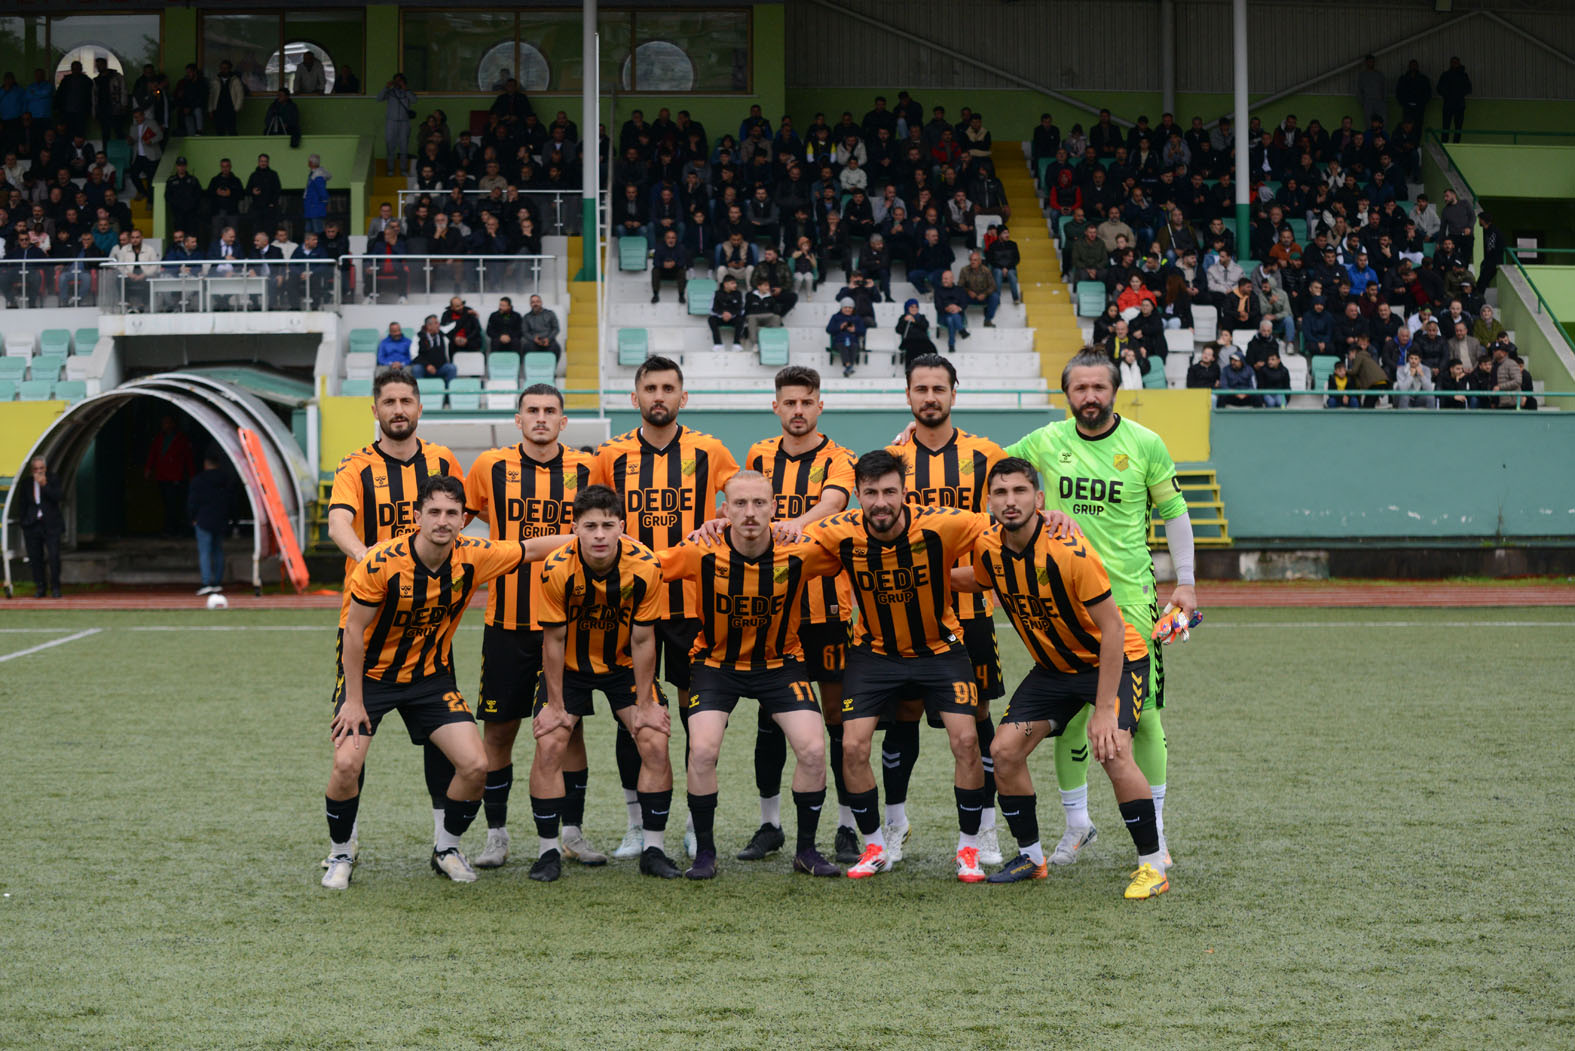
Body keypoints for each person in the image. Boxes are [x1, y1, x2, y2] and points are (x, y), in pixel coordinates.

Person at [802, 451, 1076, 882]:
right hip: (874, 653)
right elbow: (783, 539)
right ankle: (874, 845)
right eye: (870, 493)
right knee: (852, 746)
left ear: (904, 492)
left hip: (940, 650)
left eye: (889, 492)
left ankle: (968, 847)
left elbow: (1005, 520)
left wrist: (1048, 516)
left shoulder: (941, 523)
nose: (880, 502)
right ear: (857, 495)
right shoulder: (839, 530)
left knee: (967, 741)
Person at [1001, 349, 1196, 867]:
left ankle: (1156, 832)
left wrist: (1187, 582)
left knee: (1144, 719)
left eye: (1099, 388)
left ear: (1114, 391)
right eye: (1080, 388)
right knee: (1071, 719)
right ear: (1066, 393)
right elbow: (988, 466)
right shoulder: (1046, 440)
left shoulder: (1145, 443)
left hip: (1130, 601)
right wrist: (913, 440)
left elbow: (1175, 513)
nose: (1090, 397)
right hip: (1064, 602)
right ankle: (1077, 825)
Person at [944, 458, 1169, 896]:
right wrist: (932, 579)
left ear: (1039, 499)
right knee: (1004, 751)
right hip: (1054, 671)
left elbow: (1113, 630)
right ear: (989, 503)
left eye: (1020, 491)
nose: (1011, 501)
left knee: (1112, 749)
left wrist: (1103, 711)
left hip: (1114, 661)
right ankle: (1031, 857)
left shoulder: (1069, 551)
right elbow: (980, 578)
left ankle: (1153, 865)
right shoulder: (989, 546)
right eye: (1001, 493)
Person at [321, 475, 526, 889]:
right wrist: (354, 701)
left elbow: (532, 548)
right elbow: (353, 632)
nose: (443, 520)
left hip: (430, 678)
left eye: (452, 513)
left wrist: (591, 537)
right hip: (371, 678)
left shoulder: (474, 555)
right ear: (417, 516)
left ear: (463, 520)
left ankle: (446, 849)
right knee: (346, 764)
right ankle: (341, 852)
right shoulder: (381, 562)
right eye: (434, 511)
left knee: (476, 765)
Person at [655, 472, 846, 879]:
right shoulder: (700, 550)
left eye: (759, 503)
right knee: (702, 751)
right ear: (724, 510)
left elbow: (853, 550)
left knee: (814, 750)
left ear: (774, 508)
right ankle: (705, 854)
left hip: (780, 664)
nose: (750, 513)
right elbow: (648, 568)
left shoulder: (800, 550)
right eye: (740, 504)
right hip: (716, 665)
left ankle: (806, 851)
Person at [594, 357, 739, 859]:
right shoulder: (610, 454)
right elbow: (592, 516)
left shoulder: (709, 450)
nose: (659, 396)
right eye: (650, 388)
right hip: (626, 604)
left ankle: (696, 824)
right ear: (635, 397)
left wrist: (721, 519)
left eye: (668, 388)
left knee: (695, 715)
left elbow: (742, 498)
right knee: (632, 715)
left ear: (683, 396)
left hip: (692, 605)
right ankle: (637, 824)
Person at [324, 368, 466, 868]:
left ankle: (444, 844)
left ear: (419, 407)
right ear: (375, 409)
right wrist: (368, 558)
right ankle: (344, 846)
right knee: (352, 743)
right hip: (368, 624)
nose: (399, 409)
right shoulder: (356, 466)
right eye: (389, 402)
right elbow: (338, 522)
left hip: (429, 626)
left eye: (406, 401)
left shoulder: (442, 460)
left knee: (442, 741)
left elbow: (461, 516)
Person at [463, 385, 606, 872]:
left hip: (569, 622)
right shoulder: (489, 466)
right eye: (532, 411)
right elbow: (457, 523)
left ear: (563, 421)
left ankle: (572, 832)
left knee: (569, 728)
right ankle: (496, 835)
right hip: (507, 621)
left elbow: (604, 527)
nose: (541, 418)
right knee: (499, 730)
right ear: (518, 419)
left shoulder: (588, 468)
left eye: (550, 411)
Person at [881, 356, 1009, 865]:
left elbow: (1010, 513)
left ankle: (985, 829)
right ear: (908, 396)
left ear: (954, 394)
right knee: (904, 714)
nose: (930, 397)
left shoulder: (986, 455)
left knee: (977, 717)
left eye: (939, 388)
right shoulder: (891, 457)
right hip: (905, 610)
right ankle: (895, 824)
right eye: (921, 388)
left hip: (970, 608)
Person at [733, 367, 861, 863]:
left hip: (828, 606)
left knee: (837, 719)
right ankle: (770, 825)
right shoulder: (759, 455)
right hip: (774, 609)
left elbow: (833, 504)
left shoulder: (839, 458)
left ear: (819, 406)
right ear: (776, 407)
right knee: (770, 718)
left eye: (807, 402)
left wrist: (791, 526)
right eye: (790, 402)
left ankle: (846, 825)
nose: (798, 410)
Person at [526, 484, 675, 881]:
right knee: (551, 742)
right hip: (570, 668)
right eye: (590, 526)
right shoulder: (557, 568)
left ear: (621, 527)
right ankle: (548, 852)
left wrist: (646, 705)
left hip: (623, 665)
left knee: (654, 739)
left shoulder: (645, 565)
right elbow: (553, 640)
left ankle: (654, 848)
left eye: (608, 525)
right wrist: (555, 706)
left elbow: (643, 640)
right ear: (575, 528)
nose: (599, 535)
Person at [14, 456, 64, 598]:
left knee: (54, 556)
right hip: (32, 525)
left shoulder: (53, 479)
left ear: (45, 468)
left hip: (51, 525)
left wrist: (44, 485)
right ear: (32, 470)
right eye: (36, 469)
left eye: (41, 468)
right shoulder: (26, 483)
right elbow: (22, 504)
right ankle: (40, 587)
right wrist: (24, 522)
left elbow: (58, 497)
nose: (39, 471)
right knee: (35, 558)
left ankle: (55, 587)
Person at [186, 453, 234, 596]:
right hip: (220, 519)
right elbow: (231, 500)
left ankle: (206, 582)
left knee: (205, 551)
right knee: (218, 550)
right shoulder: (226, 480)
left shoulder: (199, 480)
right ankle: (217, 582)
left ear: (206, 464)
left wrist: (192, 517)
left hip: (203, 519)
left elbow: (193, 501)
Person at [144, 414, 194, 537]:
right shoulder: (159, 438)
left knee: (174, 503)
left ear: (173, 424)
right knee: (167, 503)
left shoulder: (181, 439)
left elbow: (188, 458)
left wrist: (192, 475)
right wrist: (148, 469)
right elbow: (153, 454)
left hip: (176, 476)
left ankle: (174, 529)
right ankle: (171, 528)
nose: (165, 425)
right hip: (162, 475)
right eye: (163, 423)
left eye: (167, 423)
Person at [378, 74, 417, 177]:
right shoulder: (390, 92)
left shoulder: (407, 92)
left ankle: (403, 170)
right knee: (390, 146)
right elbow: (379, 98)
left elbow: (414, 100)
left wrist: (405, 89)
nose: (398, 83)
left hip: (404, 122)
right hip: (391, 122)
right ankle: (390, 170)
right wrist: (386, 87)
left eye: (400, 81)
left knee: (404, 147)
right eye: (396, 81)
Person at [826, 297, 867, 377]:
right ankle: (849, 366)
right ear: (842, 308)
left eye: (850, 307)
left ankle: (848, 368)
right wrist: (839, 327)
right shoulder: (835, 317)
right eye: (845, 307)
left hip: (853, 341)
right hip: (839, 341)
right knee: (842, 345)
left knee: (854, 346)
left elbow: (863, 331)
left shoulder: (857, 318)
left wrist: (855, 330)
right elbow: (829, 329)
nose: (848, 309)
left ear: (853, 308)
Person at [1437, 57, 1471, 143]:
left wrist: (1457, 94)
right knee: (1446, 127)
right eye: (1453, 62)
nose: (1454, 64)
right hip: (1450, 104)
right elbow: (1439, 88)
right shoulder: (1446, 75)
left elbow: (1469, 88)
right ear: (1450, 63)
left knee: (1458, 128)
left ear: (1459, 63)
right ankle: (1444, 145)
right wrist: (1448, 95)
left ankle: (1456, 145)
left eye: (1456, 62)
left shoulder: (1463, 75)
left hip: (1458, 105)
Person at [708, 273, 745, 353]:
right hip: (720, 318)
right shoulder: (716, 293)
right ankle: (718, 344)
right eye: (732, 283)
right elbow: (712, 309)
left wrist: (731, 314)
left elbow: (741, 309)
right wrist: (722, 314)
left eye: (735, 283)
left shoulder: (738, 294)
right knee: (711, 319)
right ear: (725, 284)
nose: (735, 285)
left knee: (741, 319)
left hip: (733, 318)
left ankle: (736, 344)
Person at [413, 315, 454, 383]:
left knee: (451, 368)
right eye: (436, 323)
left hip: (440, 368)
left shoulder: (443, 336)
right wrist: (427, 365)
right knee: (416, 369)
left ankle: (447, 389)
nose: (439, 325)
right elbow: (414, 355)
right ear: (429, 326)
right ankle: (419, 389)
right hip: (424, 368)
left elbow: (455, 325)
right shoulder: (418, 337)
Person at [208, 60, 244, 137]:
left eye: (225, 68)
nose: (223, 70)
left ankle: (234, 144)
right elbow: (211, 95)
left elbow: (240, 94)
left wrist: (236, 108)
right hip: (218, 108)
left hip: (230, 107)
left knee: (232, 130)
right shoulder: (216, 80)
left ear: (229, 69)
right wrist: (210, 109)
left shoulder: (235, 80)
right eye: (222, 68)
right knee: (219, 130)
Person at [522, 294, 562, 361]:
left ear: (541, 302)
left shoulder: (550, 314)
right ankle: (531, 367)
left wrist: (548, 339)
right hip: (533, 341)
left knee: (555, 348)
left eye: (537, 301)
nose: (535, 304)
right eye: (533, 302)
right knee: (526, 347)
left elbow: (556, 328)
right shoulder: (527, 317)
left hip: (548, 340)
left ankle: (551, 367)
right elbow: (525, 332)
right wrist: (533, 339)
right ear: (530, 304)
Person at [303, 155, 331, 234]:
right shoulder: (314, 173)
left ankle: (318, 242)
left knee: (317, 229)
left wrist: (324, 201)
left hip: (315, 205)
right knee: (309, 229)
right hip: (311, 205)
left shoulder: (318, 175)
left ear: (311, 163)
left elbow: (321, 190)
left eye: (309, 161)